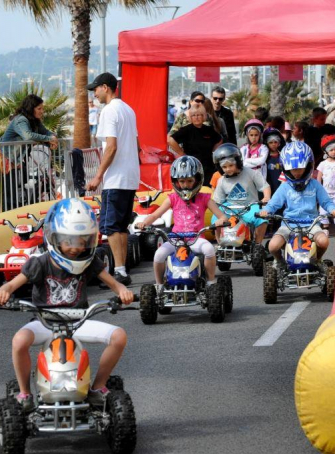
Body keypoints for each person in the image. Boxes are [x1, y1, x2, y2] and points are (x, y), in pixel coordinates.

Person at [0, 199, 133, 412]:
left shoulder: (89, 261)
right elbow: (14, 284)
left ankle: (98, 387)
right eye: (68, 241)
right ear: (54, 238)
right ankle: (25, 393)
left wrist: (122, 292)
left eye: (82, 241)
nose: (75, 248)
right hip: (44, 321)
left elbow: (113, 283)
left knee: (119, 336)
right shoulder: (40, 262)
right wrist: (5, 290)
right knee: (18, 341)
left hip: (78, 321)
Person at [135, 156, 228, 289]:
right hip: (175, 239)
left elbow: (222, 216)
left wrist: (221, 221)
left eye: (190, 181)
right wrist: (144, 222)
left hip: (196, 238)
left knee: (209, 250)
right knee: (159, 255)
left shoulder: (204, 198)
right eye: (182, 181)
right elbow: (156, 214)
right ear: (176, 181)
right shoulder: (172, 198)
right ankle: (159, 285)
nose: (186, 185)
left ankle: (211, 281)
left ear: (197, 179)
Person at [86, 72, 140, 285]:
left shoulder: (109, 111)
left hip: (116, 178)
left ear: (105, 87)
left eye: (96, 89)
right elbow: (136, 144)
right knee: (122, 225)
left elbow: (111, 147)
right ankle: (122, 269)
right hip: (130, 175)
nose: (94, 94)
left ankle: (120, 272)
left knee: (111, 227)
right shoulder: (128, 109)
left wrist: (98, 176)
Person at [259, 142, 335, 271]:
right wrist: (266, 210)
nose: (297, 172)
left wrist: (332, 209)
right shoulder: (285, 186)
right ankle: (280, 262)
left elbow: (326, 202)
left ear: (308, 166)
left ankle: (317, 260)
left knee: (324, 241)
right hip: (289, 225)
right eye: (293, 169)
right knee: (272, 246)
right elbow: (273, 203)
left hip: (311, 224)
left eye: (300, 168)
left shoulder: (315, 185)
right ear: (286, 169)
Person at [0, 94, 58, 210]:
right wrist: (48, 139)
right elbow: (27, 136)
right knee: (9, 192)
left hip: (16, 161)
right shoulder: (21, 120)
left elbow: (46, 132)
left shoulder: (35, 121)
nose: (42, 111)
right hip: (4, 160)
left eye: (42, 108)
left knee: (19, 190)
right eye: (39, 108)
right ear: (31, 108)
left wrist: (52, 137)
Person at [212, 143, 270, 245]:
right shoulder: (221, 180)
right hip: (229, 207)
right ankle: (219, 243)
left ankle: (257, 244)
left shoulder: (251, 173)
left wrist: (266, 197)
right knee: (216, 218)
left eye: (231, 165)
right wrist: (218, 213)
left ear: (238, 162)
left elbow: (265, 186)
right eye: (224, 167)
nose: (228, 169)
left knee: (262, 220)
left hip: (249, 206)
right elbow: (217, 201)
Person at [168, 105, 222, 186]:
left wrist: (214, 151)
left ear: (204, 116)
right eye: (193, 115)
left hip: (208, 167)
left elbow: (219, 139)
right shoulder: (186, 130)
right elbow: (170, 140)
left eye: (199, 115)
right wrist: (182, 154)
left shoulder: (209, 129)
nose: (196, 117)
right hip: (191, 167)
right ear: (190, 117)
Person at [317, 135, 335, 230]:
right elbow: (319, 178)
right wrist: (319, 191)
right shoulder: (323, 164)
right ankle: (325, 230)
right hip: (326, 193)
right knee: (324, 214)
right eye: (331, 150)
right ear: (326, 151)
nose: (334, 152)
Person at [263, 128, 286, 195]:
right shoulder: (264, 158)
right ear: (267, 143)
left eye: (275, 142)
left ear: (279, 143)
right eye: (271, 142)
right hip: (268, 187)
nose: (273, 144)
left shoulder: (282, 156)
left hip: (280, 186)